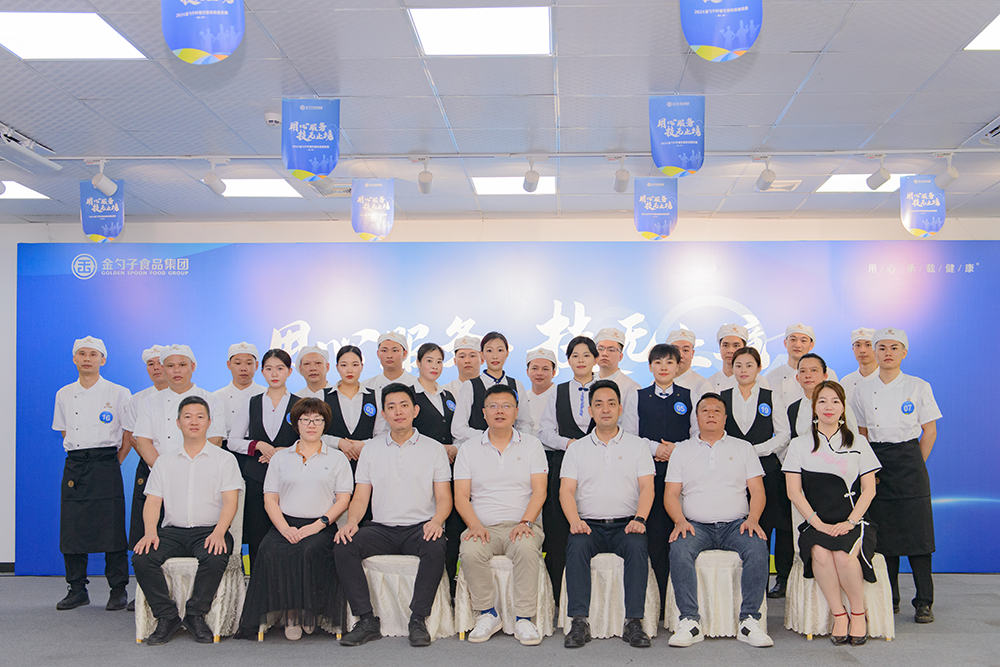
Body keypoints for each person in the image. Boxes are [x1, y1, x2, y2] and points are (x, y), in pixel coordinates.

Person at [334, 383, 452, 648]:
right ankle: (366, 620)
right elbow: (361, 497)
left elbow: (445, 497)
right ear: (383, 414)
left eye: (404, 405)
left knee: (436, 545)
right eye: (391, 407)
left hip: (420, 527)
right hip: (381, 529)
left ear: (415, 410)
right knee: (344, 544)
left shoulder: (434, 449)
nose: (398, 412)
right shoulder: (371, 449)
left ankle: (418, 619)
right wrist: (351, 522)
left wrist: (436, 521)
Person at [236, 398, 353, 641]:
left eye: (317, 420)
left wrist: (317, 525)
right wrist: (284, 528)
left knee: (308, 550)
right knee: (270, 549)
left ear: (325, 424)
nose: (311, 425)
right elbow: (270, 499)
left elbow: (343, 500)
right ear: (296, 424)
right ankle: (291, 615)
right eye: (305, 419)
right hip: (285, 524)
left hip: (321, 525)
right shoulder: (281, 458)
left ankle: (310, 612)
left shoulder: (337, 458)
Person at [132, 396, 243, 646]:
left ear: (209, 422)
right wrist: (150, 532)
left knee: (214, 556)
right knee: (142, 558)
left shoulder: (225, 459)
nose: (194, 422)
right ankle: (167, 616)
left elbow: (231, 502)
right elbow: (153, 502)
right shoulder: (164, 461)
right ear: (178, 423)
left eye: (200, 417)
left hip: (210, 530)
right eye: (188, 417)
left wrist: (219, 532)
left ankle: (195, 615)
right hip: (172, 531)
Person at [665, 393, 772, 648]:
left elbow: (757, 491)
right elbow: (670, 494)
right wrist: (680, 521)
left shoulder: (743, 448)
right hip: (695, 526)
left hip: (736, 524)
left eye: (716, 411)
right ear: (696, 417)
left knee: (757, 548)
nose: (711, 414)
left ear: (725, 417)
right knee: (679, 549)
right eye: (705, 410)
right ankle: (690, 622)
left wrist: (753, 519)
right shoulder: (682, 450)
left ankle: (749, 621)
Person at [850, 328, 941, 623]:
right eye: (882, 347)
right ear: (875, 352)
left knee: (919, 536)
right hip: (878, 460)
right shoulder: (862, 389)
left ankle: (924, 601)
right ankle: (890, 598)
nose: (888, 353)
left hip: (910, 460)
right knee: (884, 536)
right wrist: (870, 469)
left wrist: (915, 462)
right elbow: (861, 433)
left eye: (894, 347)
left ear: (904, 353)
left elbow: (929, 431)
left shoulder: (918, 386)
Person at [784, 381, 881, 646]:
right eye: (823, 401)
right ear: (814, 407)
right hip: (816, 522)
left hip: (854, 520)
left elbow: (869, 490)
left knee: (843, 554)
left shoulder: (859, 442)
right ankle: (840, 615)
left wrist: (850, 522)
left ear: (843, 407)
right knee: (820, 552)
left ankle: (858, 614)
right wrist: (818, 524)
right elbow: (794, 492)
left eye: (835, 401)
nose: (829, 406)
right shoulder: (799, 445)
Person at [560, 380, 655, 649]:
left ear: (620, 409)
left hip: (627, 525)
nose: (605, 409)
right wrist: (575, 521)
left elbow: (648, 487)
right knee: (576, 546)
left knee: (637, 547)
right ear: (590, 410)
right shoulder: (577, 448)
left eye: (611, 404)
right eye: (599, 404)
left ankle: (633, 622)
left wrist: (640, 519)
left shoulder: (637, 446)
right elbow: (566, 490)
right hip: (588, 525)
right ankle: (579, 622)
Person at [454, 384, 548, 646]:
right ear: (483, 413)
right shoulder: (469, 448)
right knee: (470, 551)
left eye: (506, 406)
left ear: (516, 412)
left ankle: (524, 618)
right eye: (493, 406)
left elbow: (540, 491)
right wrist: (474, 525)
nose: (500, 411)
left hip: (523, 524)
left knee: (526, 548)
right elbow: (460, 496)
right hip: (483, 526)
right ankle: (488, 614)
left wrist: (526, 522)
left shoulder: (532, 445)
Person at [52, 336, 132, 612]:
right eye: (82, 354)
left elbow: (128, 433)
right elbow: (65, 431)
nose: (87, 359)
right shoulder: (64, 394)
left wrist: (114, 461)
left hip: (106, 462)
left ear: (103, 360)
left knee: (113, 529)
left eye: (93, 354)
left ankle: (118, 590)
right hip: (76, 464)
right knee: (72, 528)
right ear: (75, 359)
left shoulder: (118, 392)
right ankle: (77, 589)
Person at [622, 343, 694, 610]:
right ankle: (656, 601)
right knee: (653, 536)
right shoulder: (638, 396)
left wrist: (676, 450)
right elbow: (630, 435)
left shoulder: (690, 396)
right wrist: (656, 448)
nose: (664, 367)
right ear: (650, 366)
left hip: (681, 474)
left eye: (669, 362)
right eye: (658, 362)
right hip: (648, 474)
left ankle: (678, 602)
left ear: (678, 366)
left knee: (678, 535)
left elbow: (697, 433)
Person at [720, 347, 792, 599]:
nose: (743, 370)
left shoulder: (771, 397)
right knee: (739, 525)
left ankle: (780, 579)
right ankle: (745, 583)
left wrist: (755, 450)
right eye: (738, 365)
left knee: (771, 524)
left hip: (766, 469)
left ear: (759, 368)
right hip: (732, 471)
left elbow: (783, 434)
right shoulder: (722, 397)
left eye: (749, 365)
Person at [537, 335, 598, 604]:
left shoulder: (607, 389)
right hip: (563, 466)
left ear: (595, 359)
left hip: (600, 469)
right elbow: (544, 432)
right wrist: (568, 443)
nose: (581, 360)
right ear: (568, 361)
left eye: (586, 355)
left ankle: (595, 599)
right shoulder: (557, 391)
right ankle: (559, 599)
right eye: (575, 356)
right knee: (560, 533)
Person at [226, 349, 301, 565]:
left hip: (291, 477)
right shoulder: (252, 402)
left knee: (290, 532)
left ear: (289, 371)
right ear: (262, 371)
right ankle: (258, 580)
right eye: (269, 369)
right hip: (256, 477)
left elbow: (312, 439)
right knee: (257, 533)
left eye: (280, 368)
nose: (274, 374)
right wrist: (259, 445)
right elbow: (233, 441)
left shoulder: (300, 404)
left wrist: (283, 451)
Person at [411, 342, 464, 594]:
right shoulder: (410, 396)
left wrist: (454, 447)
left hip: (450, 469)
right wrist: (439, 448)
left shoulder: (448, 396)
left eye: (439, 361)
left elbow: (457, 430)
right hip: (421, 469)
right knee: (430, 526)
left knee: (452, 526)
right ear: (418, 363)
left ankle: (450, 587)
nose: (434, 366)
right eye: (429, 361)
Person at [134, 345, 225, 465]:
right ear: (163, 369)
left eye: (182, 365)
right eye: (170, 366)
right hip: (161, 470)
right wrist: (162, 470)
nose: (176, 370)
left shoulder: (212, 400)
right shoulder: (149, 402)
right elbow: (143, 442)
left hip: (201, 468)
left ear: (192, 367)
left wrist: (192, 469)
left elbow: (215, 440)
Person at [122, 345, 167, 556]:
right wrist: (153, 462)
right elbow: (132, 436)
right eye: (151, 364)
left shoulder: (187, 395)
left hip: (183, 466)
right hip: (148, 466)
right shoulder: (138, 399)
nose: (156, 368)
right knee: (146, 519)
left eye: (160, 363)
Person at [452, 331, 531, 444]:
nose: (495, 356)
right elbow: (458, 428)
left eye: (500, 350)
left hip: (512, 449)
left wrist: (513, 439)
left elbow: (525, 423)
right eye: (489, 351)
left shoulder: (517, 385)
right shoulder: (470, 386)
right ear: (482, 355)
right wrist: (489, 436)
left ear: (507, 353)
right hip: (479, 448)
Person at [322, 345, 386, 465]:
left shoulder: (376, 396)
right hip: (330, 464)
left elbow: (383, 434)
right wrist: (338, 442)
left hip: (367, 462)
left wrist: (364, 444)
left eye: (355, 365)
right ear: (337, 367)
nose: (349, 370)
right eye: (344, 365)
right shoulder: (322, 396)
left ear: (362, 366)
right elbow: (313, 434)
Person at [765, 324, 839, 408]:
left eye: (803, 341)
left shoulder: (828, 373)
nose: (797, 345)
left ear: (811, 345)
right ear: (785, 343)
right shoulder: (772, 376)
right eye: (793, 340)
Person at [787, 353, 860, 438]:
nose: (808, 375)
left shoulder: (838, 405)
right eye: (803, 371)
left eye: (813, 370)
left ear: (825, 376)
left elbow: (854, 437)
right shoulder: (793, 409)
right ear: (797, 378)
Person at [212, 342, 265, 440]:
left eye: (249, 363)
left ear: (257, 365)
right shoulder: (216, 398)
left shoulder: (266, 394)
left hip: (259, 446)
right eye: (237, 363)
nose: (243, 369)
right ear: (229, 365)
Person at [363, 331, 417, 396]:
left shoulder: (417, 385)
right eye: (384, 350)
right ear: (378, 354)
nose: (389, 356)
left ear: (404, 354)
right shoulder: (366, 387)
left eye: (394, 350)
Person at [666, 329, 711, 403]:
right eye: (676, 350)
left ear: (692, 353)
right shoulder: (657, 382)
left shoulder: (702, 386)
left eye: (685, 350)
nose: (680, 355)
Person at [594, 327, 641, 399]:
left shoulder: (632, 388)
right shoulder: (588, 380)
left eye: (611, 350)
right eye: (601, 349)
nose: (604, 353)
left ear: (620, 356)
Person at [523, 347, 557, 436]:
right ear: (527, 372)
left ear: (553, 373)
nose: (539, 373)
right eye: (535, 368)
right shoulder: (522, 397)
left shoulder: (561, 396)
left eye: (545, 369)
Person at [706, 324, 750, 393]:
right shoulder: (709, 384)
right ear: (720, 348)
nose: (730, 351)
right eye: (725, 345)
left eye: (736, 346)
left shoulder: (756, 381)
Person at [840, 328, 877, 404]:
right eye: (858, 345)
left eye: (868, 345)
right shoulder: (846, 382)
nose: (862, 350)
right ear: (853, 349)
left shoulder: (886, 379)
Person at [442, 335, 482, 399]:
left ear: (482, 359)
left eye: (472, 356)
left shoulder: (491, 389)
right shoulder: (444, 392)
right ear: (455, 361)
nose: (467, 361)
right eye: (462, 356)